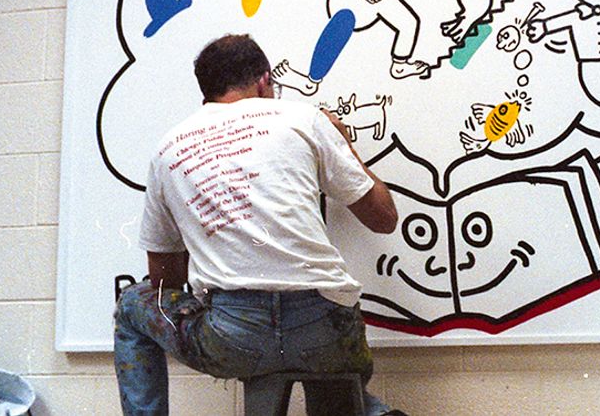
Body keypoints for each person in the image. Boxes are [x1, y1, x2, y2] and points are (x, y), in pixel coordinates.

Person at [113, 33, 403, 416]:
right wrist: (343, 144)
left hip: (232, 338)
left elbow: (165, 278)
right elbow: (384, 218)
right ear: (266, 79)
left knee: (134, 303)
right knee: (337, 379)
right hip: (328, 329)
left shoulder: (170, 149)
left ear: (207, 91)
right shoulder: (303, 118)